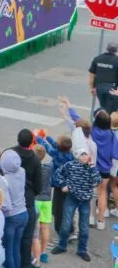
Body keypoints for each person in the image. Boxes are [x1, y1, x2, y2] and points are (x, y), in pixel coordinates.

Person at [61, 96, 114, 230]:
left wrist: (69, 105)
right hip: (106, 169)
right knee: (103, 193)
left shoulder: (92, 132)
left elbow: (78, 119)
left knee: (90, 193)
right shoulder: (111, 134)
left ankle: (90, 218)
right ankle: (101, 221)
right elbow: (114, 153)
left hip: (92, 166)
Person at [51, 146, 102, 262]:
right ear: (77, 156)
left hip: (85, 201)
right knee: (66, 224)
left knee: (84, 227)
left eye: (86, 154)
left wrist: (92, 167)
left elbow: (98, 181)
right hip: (72, 198)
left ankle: (82, 250)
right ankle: (62, 245)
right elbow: (57, 174)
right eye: (82, 155)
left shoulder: (91, 168)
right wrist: (63, 185)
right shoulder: (70, 165)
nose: (84, 157)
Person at [10, 129, 42, 268]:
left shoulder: (9, 154)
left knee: (10, 238)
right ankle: (25, 264)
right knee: (26, 238)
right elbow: (38, 186)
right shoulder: (35, 160)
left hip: (10, 200)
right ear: (31, 142)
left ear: (17, 139)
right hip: (27, 201)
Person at [0, 149, 28, 268]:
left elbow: (6, 205)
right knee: (15, 248)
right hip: (23, 213)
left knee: (8, 250)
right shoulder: (22, 171)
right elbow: (7, 166)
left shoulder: (1, 180)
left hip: (11, 217)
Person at [31, 144, 52, 265]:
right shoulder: (48, 168)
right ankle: (44, 253)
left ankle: (34, 255)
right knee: (45, 228)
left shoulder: (33, 169)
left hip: (36, 200)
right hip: (47, 200)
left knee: (35, 230)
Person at [88, 42, 118, 113]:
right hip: (113, 89)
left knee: (104, 107)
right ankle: (109, 122)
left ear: (106, 49)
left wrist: (92, 88)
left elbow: (91, 75)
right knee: (112, 110)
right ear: (116, 50)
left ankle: (103, 121)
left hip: (100, 87)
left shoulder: (97, 59)